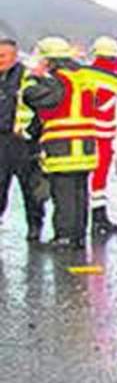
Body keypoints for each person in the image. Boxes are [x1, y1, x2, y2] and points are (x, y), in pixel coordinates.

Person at [21, 37, 99, 249]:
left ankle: (64, 236)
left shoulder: (58, 80)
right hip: (86, 145)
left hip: (64, 146)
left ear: (50, 60)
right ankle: (78, 236)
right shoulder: (82, 79)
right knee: (80, 192)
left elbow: (35, 98)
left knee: (63, 193)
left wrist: (31, 79)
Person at [0, 38, 48, 240]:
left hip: (24, 142)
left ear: (14, 56)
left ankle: (35, 225)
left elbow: (40, 109)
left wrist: (32, 132)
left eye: (3, 56)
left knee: (30, 188)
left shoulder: (28, 77)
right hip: (1, 140)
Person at [82, 36, 117, 237]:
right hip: (103, 135)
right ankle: (99, 218)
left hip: (81, 131)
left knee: (79, 177)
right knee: (99, 178)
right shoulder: (115, 81)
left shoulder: (82, 74)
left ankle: (77, 217)